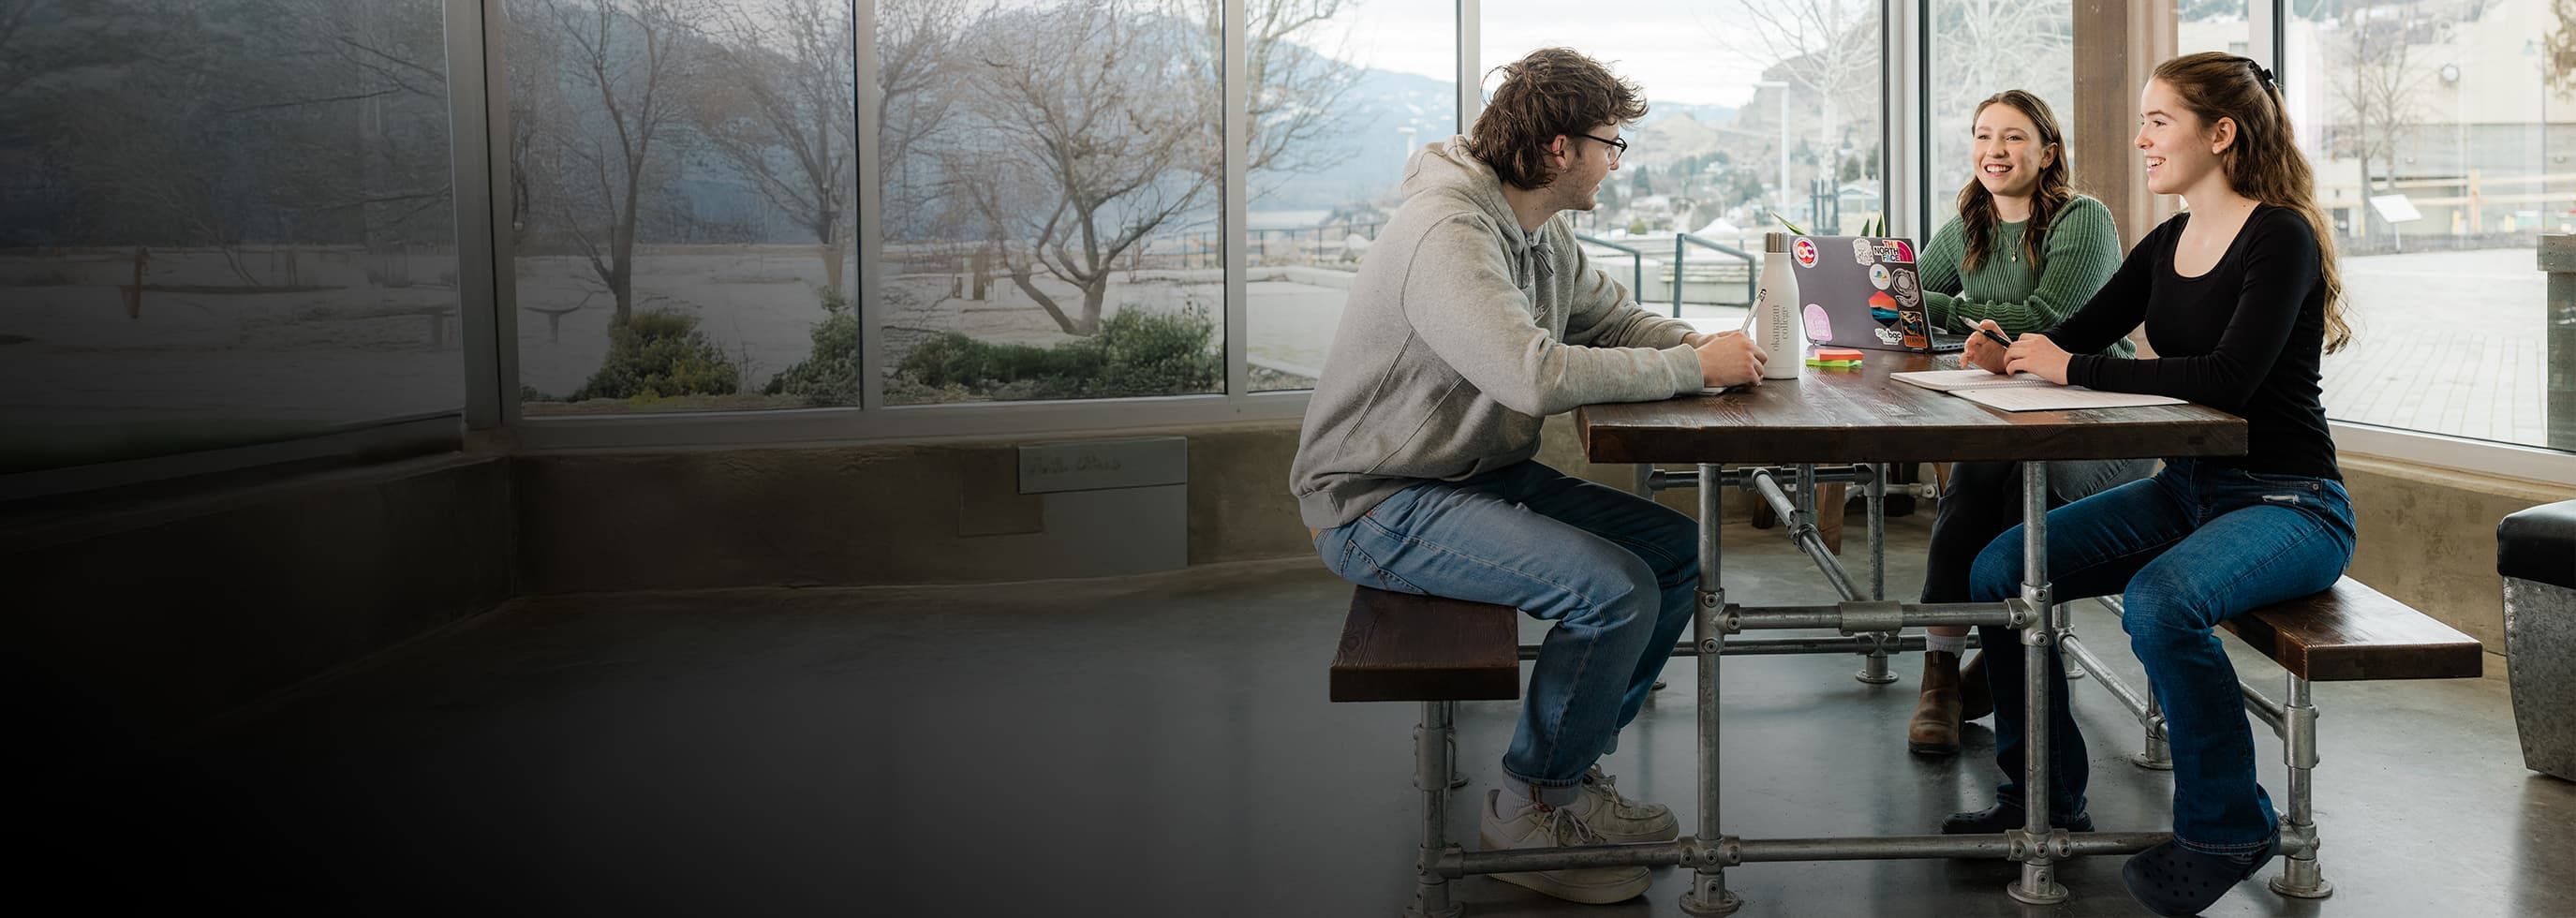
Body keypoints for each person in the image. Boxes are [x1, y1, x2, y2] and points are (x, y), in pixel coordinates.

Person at [1289, 47, 1767, 905]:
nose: (1615, 165)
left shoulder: (1540, 229)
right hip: (1377, 499)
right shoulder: (1450, 232)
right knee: (1614, 590)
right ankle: (1529, 809)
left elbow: (1613, 320)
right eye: (1611, 146)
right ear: (1559, 148)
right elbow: (1533, 375)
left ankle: (1567, 776)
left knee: (1671, 551)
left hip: (1471, 477)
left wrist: (1703, 348)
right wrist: (1696, 373)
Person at [1941, 52, 2358, 918]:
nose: (2139, 140)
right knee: (2000, 568)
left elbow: (2230, 378)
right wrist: (2009, 350)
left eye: (2158, 121)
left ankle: (2226, 825)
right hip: (2187, 492)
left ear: (2222, 133)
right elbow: (2074, 332)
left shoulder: (2278, 234)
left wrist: (2069, 364)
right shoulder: (2168, 241)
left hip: (2290, 501)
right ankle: (2043, 796)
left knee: (2162, 602)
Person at [1900, 90, 2154, 756]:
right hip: (2006, 409)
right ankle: (1940, 679)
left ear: (2047, 151)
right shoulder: (1966, 226)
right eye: (1983, 135)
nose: (1994, 151)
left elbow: (2055, 320)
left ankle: (2002, 664)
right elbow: (1903, 302)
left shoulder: (2083, 219)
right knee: (1968, 494)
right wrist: (1966, 312)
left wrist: (1957, 310)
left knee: (2023, 500)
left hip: (2100, 418)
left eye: (2013, 138)